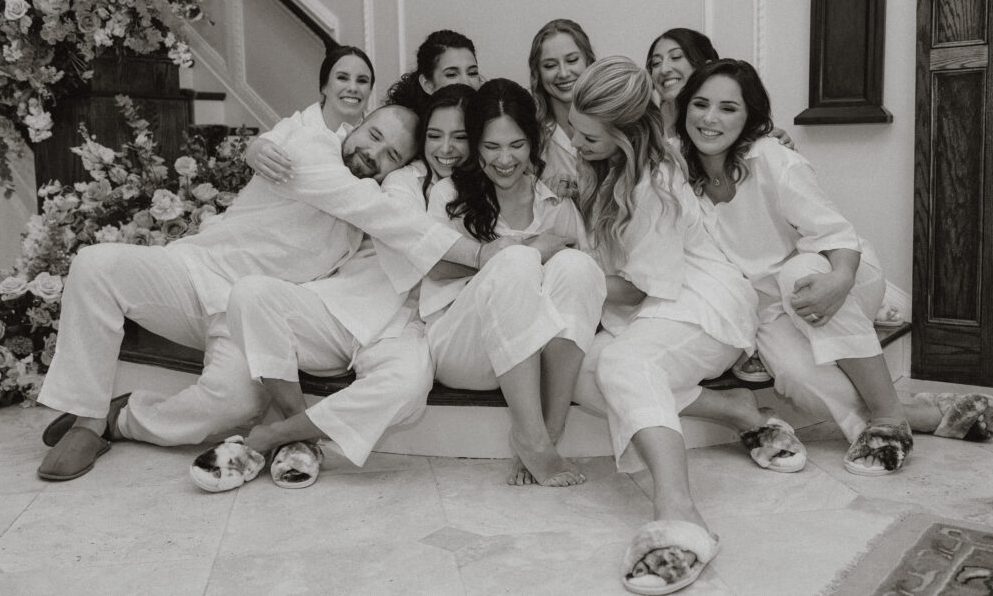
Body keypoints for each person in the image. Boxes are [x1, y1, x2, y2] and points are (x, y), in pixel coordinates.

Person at [35, 102, 511, 482]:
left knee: (236, 404)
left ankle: (125, 421)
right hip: (192, 274)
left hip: (242, 307)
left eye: (391, 155)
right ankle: (85, 420)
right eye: (374, 135)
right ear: (353, 126)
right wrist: (259, 144)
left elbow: (396, 224)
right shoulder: (315, 157)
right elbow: (383, 209)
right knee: (95, 264)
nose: (375, 154)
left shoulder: (374, 201)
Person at [674, 58, 992, 478]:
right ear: (684, 110)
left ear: (750, 117)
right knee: (795, 375)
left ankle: (889, 419)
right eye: (700, 104)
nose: (710, 118)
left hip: (840, 275)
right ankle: (924, 415)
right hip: (769, 306)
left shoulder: (773, 160)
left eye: (728, 108)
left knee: (799, 274)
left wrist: (839, 281)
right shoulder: (677, 171)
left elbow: (837, 238)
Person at [567, 56, 807, 595]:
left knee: (627, 363)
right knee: (582, 371)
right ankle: (734, 410)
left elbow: (644, 285)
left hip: (705, 301)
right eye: (572, 130)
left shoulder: (656, 183)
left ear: (625, 134)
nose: (576, 143)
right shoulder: (604, 168)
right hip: (650, 304)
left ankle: (678, 511)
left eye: (588, 136)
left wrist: (564, 279)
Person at [189, 85, 484, 492]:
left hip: (405, 326)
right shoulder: (401, 181)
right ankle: (302, 436)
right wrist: (489, 255)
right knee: (251, 294)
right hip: (343, 305)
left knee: (406, 386)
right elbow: (420, 250)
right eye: (436, 136)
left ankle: (275, 436)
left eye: (460, 137)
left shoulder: (486, 190)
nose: (446, 148)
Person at [423, 78, 606, 487]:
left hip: (534, 358)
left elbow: (587, 283)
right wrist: (533, 249)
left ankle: (546, 433)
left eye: (516, 145)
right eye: (491, 147)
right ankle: (531, 434)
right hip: (463, 348)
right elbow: (433, 267)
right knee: (519, 258)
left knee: (578, 266)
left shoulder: (556, 201)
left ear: (534, 141)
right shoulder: (448, 194)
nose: (504, 159)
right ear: (474, 144)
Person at [246, 45, 375, 184]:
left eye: (362, 81)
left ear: (370, 90)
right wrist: (255, 150)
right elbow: (263, 144)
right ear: (324, 86)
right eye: (342, 78)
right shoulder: (297, 125)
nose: (353, 88)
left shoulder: (379, 130)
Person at [646, 27, 792, 147]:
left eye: (676, 57)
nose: (664, 69)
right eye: (656, 63)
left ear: (706, 66)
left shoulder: (731, 129)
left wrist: (772, 144)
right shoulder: (641, 127)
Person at [527, 18, 597, 198]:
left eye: (572, 60)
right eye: (550, 65)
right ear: (538, 73)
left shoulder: (615, 122)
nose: (564, 73)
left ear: (589, 61)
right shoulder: (529, 135)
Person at [385, 29, 481, 115]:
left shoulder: (490, 120)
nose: (466, 83)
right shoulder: (412, 127)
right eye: (451, 75)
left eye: (472, 73)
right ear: (428, 85)